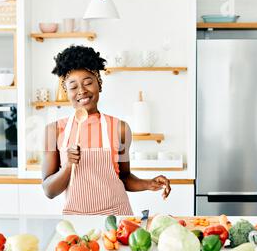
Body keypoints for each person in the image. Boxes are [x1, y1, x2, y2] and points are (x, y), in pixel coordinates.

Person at [42, 45, 171, 215]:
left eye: (88, 82)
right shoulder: (54, 131)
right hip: (76, 219)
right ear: (67, 92)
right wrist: (67, 167)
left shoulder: (120, 129)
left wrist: (148, 184)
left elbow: (124, 177)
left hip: (117, 216)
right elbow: (49, 190)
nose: (82, 91)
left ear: (99, 84)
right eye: (73, 87)